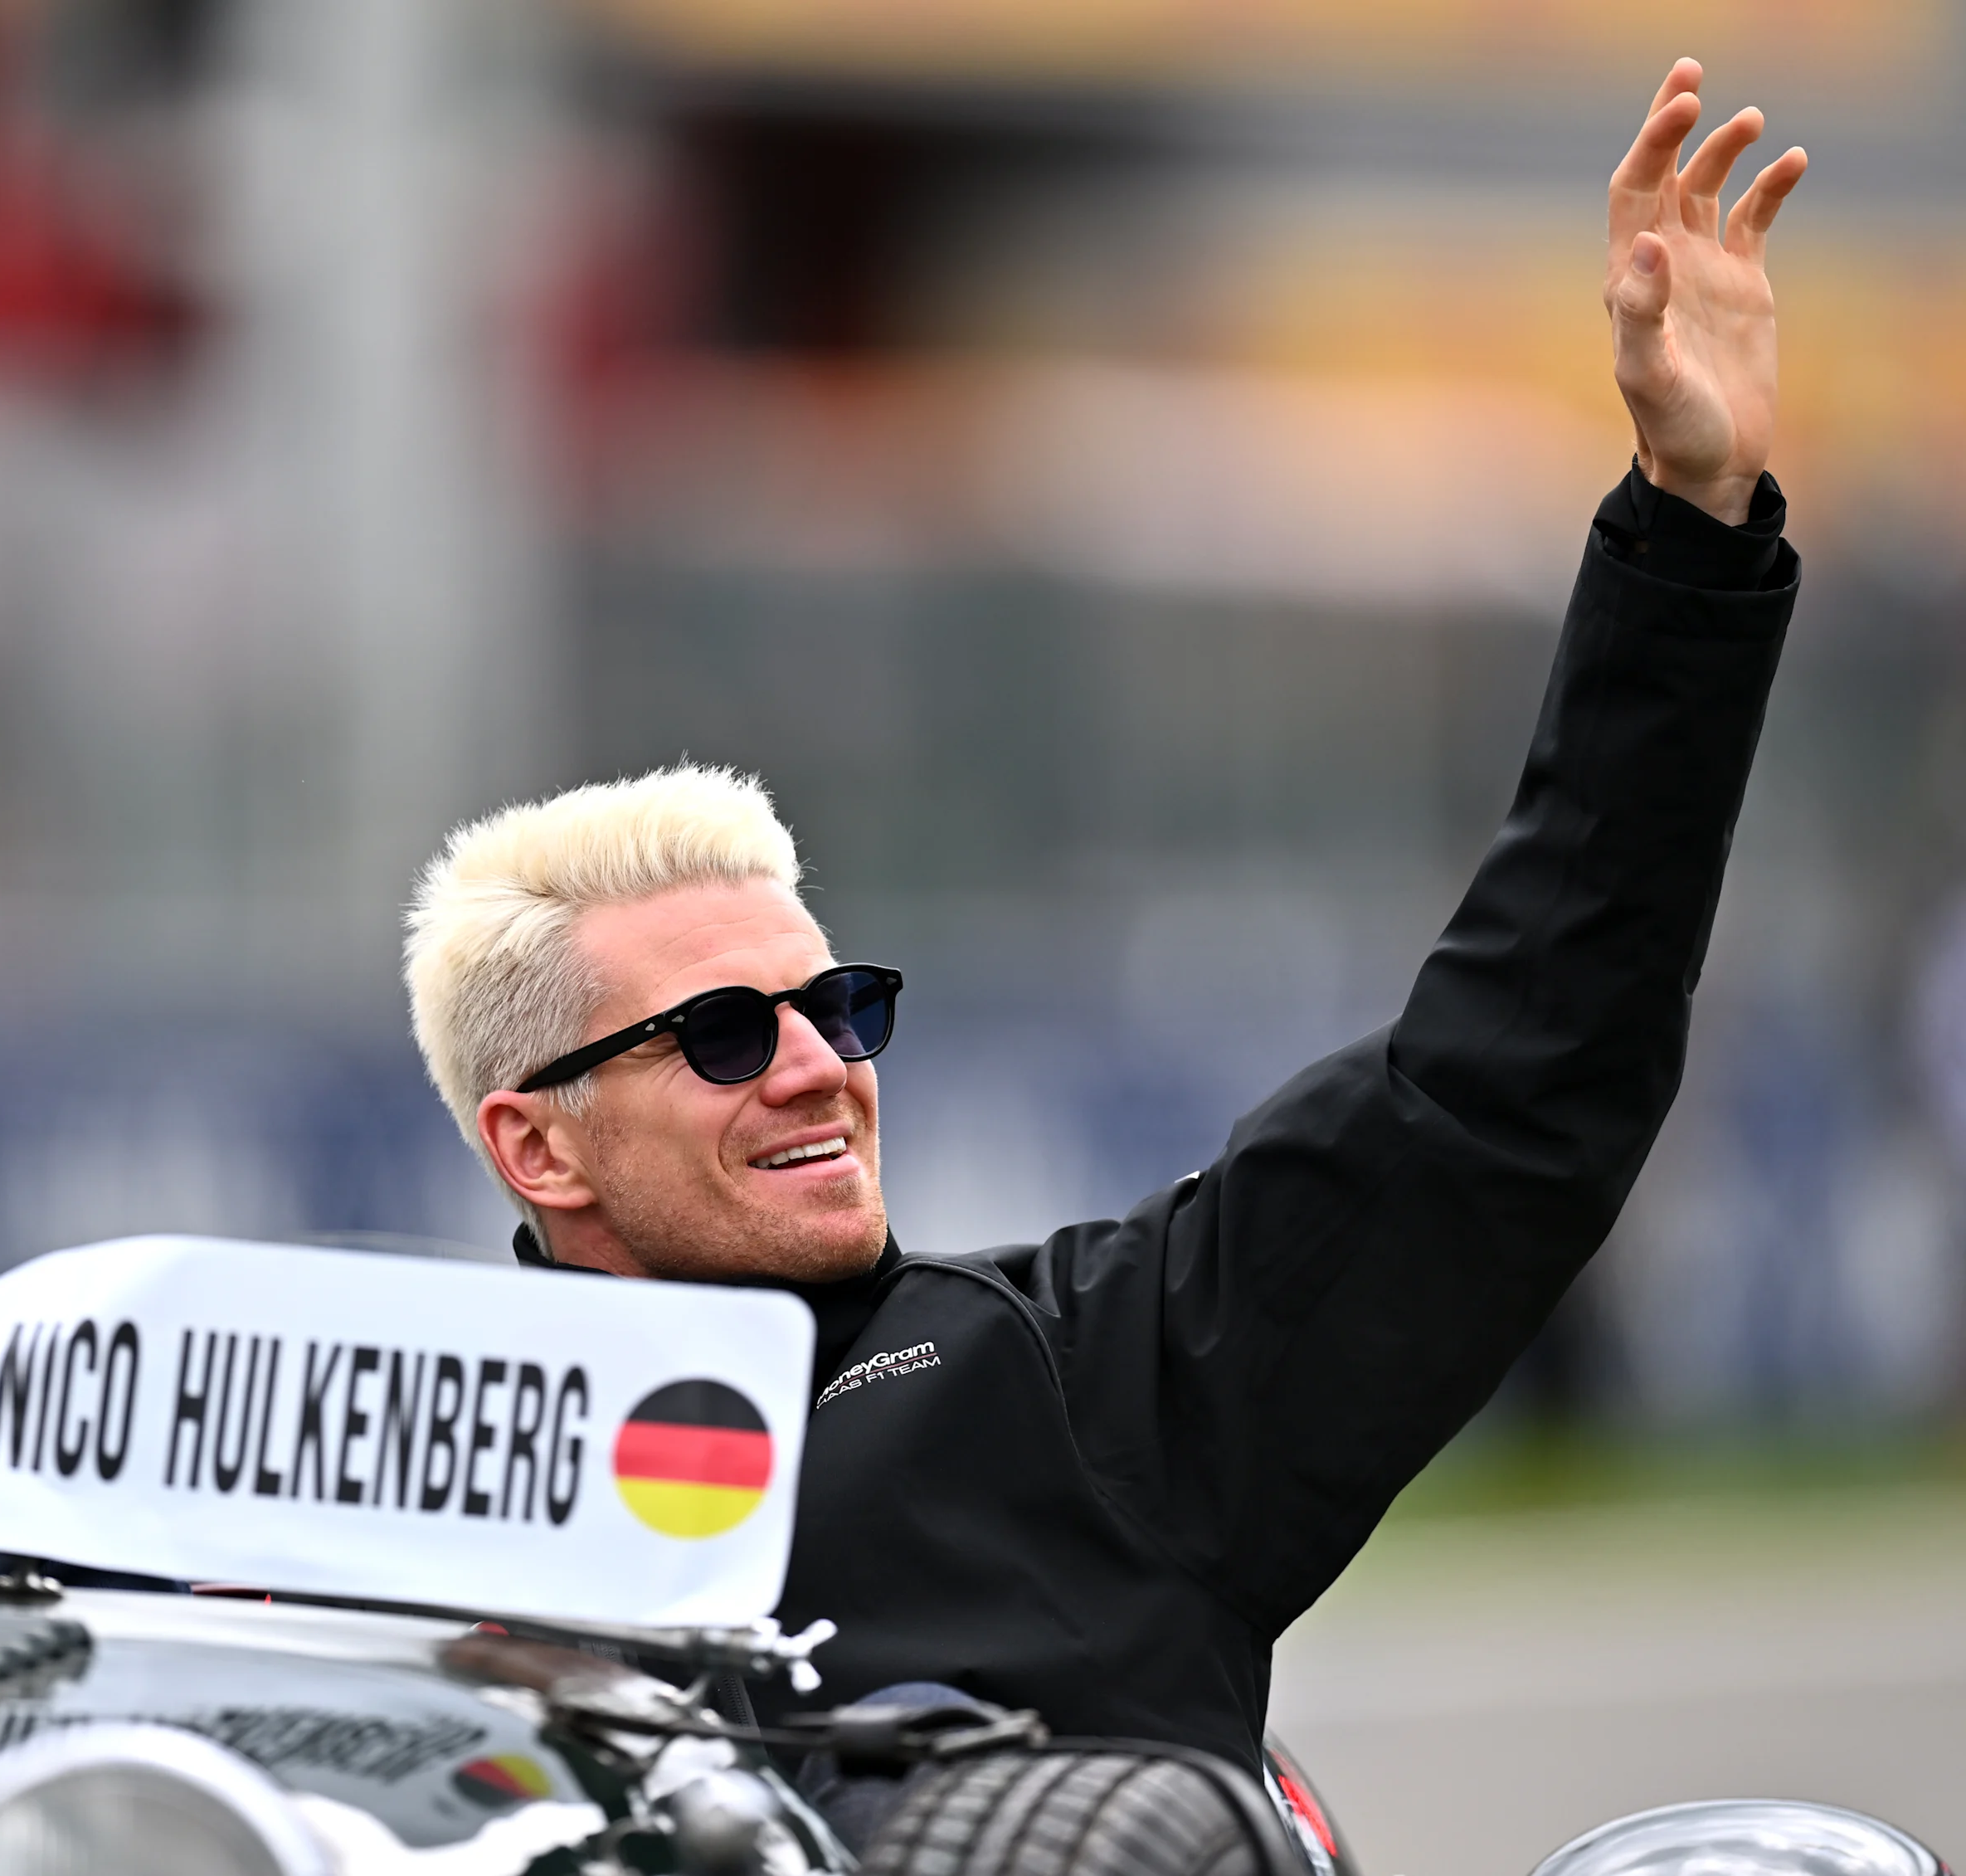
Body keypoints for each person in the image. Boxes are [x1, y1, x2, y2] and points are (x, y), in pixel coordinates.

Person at [404, 60, 1805, 1772]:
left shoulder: (1079, 1375)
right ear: (535, 1146)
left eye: (833, 1004)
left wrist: (1689, 531)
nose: (813, 1067)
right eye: (717, 1030)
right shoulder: (386, 1509)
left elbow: (1510, 1077)